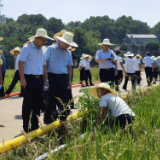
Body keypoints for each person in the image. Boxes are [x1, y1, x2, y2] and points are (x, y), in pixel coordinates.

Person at [19, 28, 53, 133]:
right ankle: (25, 127)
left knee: (37, 104)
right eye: (43, 40)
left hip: (39, 80)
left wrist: (46, 79)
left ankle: (35, 126)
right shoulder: (26, 48)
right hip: (29, 79)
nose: (44, 42)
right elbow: (21, 63)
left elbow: (44, 66)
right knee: (28, 104)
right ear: (37, 38)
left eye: (45, 41)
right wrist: (22, 78)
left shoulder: (43, 50)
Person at [44, 32, 78, 124]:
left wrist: (69, 80)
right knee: (50, 99)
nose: (67, 46)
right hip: (51, 76)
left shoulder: (68, 53)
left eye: (69, 44)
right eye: (66, 43)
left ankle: (63, 121)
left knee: (64, 100)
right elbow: (45, 63)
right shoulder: (51, 49)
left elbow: (70, 66)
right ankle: (48, 121)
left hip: (63, 77)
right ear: (61, 41)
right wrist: (46, 79)